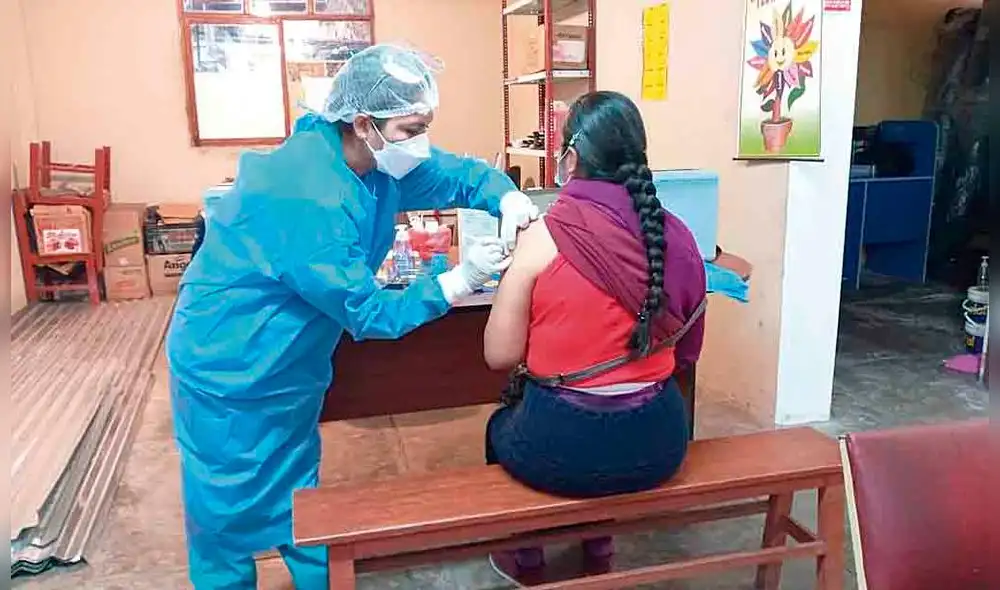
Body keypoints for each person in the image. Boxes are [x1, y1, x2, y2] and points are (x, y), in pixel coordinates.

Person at [166, 44, 539, 589]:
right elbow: (366, 311)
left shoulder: (375, 163)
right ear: (365, 122)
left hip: (291, 364)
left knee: (300, 499)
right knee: (226, 519)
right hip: (230, 366)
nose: (421, 141)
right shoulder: (305, 192)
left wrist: (503, 196)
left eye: (425, 125)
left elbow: (455, 175)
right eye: (412, 127)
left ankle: (321, 576)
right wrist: (458, 281)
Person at [481, 91, 707, 583]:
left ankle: (528, 558)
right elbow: (687, 353)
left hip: (559, 447)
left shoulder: (544, 236)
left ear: (571, 157)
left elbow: (498, 355)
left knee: (498, 430)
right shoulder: (676, 236)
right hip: (658, 444)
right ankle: (599, 546)